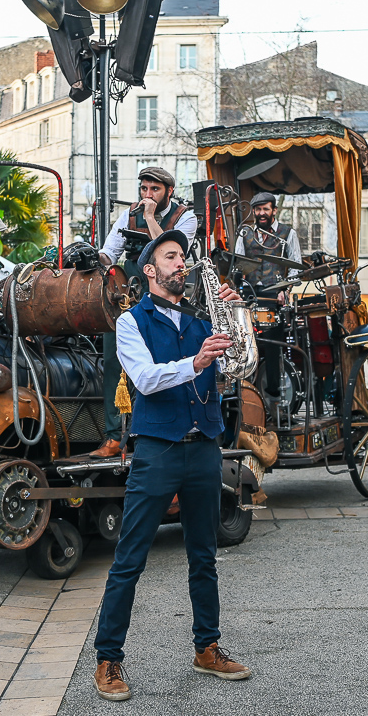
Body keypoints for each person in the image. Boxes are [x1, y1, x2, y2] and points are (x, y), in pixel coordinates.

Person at [94, 230, 249, 701]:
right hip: (158, 449)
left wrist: (238, 314)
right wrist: (196, 360)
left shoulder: (203, 315)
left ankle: (207, 647)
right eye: (170, 257)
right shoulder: (130, 321)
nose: (180, 263)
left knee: (204, 556)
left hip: (203, 445)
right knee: (130, 559)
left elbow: (240, 365)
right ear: (150, 270)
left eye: (182, 256)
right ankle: (108, 660)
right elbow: (143, 378)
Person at [94, 166, 198, 459]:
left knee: (162, 361)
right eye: (144, 189)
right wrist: (92, 256)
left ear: (169, 192)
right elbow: (109, 253)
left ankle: (156, 437)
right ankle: (115, 437)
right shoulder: (128, 215)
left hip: (164, 296)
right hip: (127, 293)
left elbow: (168, 253)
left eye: (154, 189)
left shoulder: (185, 218)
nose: (147, 195)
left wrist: (151, 217)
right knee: (114, 360)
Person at [232, 192, 301, 294]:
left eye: (266, 209)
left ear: (274, 210)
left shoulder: (288, 233)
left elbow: (295, 266)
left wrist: (286, 290)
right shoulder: (245, 232)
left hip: (276, 290)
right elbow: (238, 264)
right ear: (254, 211)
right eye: (258, 209)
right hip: (249, 289)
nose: (261, 213)